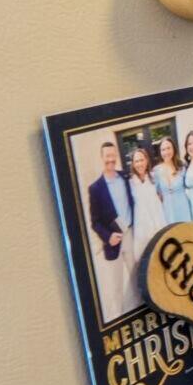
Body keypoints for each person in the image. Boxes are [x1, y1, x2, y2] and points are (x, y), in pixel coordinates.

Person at [86, 138, 137, 322]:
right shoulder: (95, 188)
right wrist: (108, 237)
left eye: (113, 155)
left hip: (130, 234)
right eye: (107, 156)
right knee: (116, 283)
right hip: (113, 241)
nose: (111, 159)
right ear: (101, 157)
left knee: (135, 274)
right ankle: (120, 317)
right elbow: (94, 222)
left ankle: (139, 307)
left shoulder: (125, 177)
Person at [124, 143, 165, 264]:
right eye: (136, 161)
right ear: (133, 164)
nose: (139, 164)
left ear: (146, 160)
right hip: (142, 227)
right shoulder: (130, 183)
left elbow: (161, 197)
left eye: (141, 160)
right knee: (146, 260)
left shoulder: (154, 177)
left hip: (157, 222)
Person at [154, 135, 191, 224]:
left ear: (173, 149)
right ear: (160, 152)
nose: (166, 152)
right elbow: (156, 195)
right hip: (167, 213)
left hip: (184, 209)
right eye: (163, 149)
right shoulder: (156, 171)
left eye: (168, 148)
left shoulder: (182, 167)